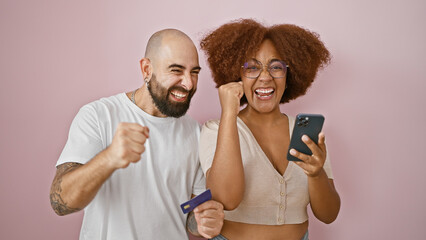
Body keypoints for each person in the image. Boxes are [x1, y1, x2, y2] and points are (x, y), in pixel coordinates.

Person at [49, 29, 224, 239]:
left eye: (194, 72)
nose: (188, 83)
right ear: (147, 69)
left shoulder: (195, 132)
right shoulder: (97, 115)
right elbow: (61, 203)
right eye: (176, 70)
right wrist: (109, 158)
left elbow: (190, 216)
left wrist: (203, 222)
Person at [198, 19, 341, 240]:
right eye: (252, 67)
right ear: (238, 75)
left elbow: (329, 215)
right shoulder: (216, 130)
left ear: (289, 74)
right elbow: (226, 198)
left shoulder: (304, 132)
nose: (265, 77)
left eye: (276, 67)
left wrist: (316, 173)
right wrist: (229, 112)